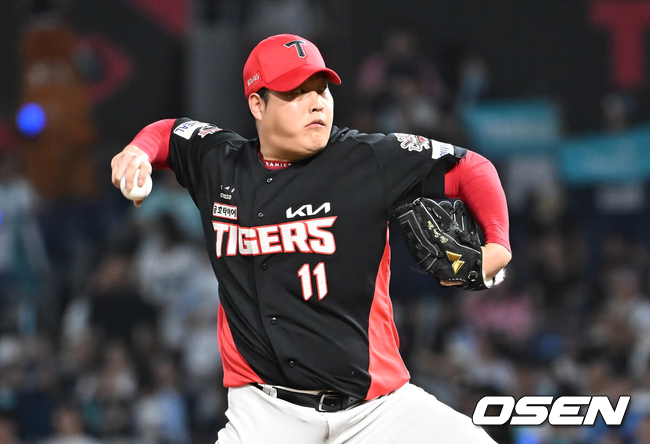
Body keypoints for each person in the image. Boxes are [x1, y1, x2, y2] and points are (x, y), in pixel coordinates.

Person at [110, 33, 511, 444]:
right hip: (266, 415)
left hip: (377, 410)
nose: (316, 102)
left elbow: (471, 168)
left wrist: (497, 244)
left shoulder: (366, 159)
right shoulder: (220, 163)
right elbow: (170, 133)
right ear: (257, 105)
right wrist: (137, 152)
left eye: (321, 89)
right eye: (296, 92)